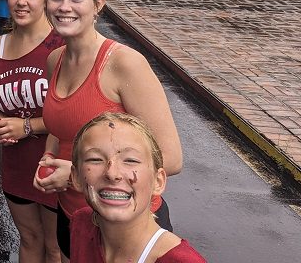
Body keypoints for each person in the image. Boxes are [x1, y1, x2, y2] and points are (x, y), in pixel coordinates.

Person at [33, 0, 183, 260]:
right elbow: (59, 128)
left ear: (98, 4)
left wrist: (76, 174)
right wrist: (49, 157)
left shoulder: (125, 64)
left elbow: (172, 158)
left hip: (125, 224)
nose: (64, 7)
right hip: (73, 215)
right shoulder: (55, 60)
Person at [0, 0, 65, 263]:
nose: (21, 2)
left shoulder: (61, 45)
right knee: (29, 239)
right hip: (15, 163)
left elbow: (73, 115)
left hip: (53, 163)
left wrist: (27, 126)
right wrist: (0, 121)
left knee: (55, 248)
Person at [69, 113, 205, 263]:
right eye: (95, 159)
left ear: (158, 181)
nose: (112, 173)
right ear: (76, 178)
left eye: (130, 160)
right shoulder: (81, 224)